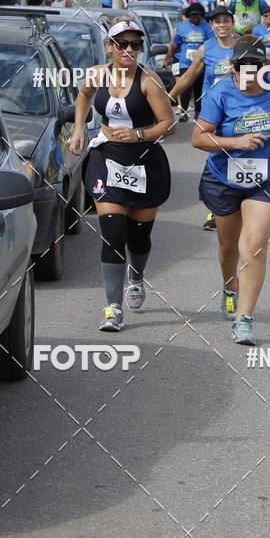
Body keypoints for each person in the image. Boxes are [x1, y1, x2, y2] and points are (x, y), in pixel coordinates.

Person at [69, 19, 175, 332]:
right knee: (113, 234)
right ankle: (113, 308)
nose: (129, 50)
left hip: (143, 162)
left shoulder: (149, 82)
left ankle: (137, 276)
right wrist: (79, 129)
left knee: (139, 237)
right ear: (110, 47)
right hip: (106, 159)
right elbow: (84, 95)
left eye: (135, 44)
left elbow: (168, 123)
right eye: (122, 44)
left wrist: (139, 134)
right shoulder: (97, 74)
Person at [192, 36, 270, 345]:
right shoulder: (220, 93)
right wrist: (235, 143)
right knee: (228, 247)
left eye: (254, 66)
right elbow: (199, 138)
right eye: (241, 67)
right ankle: (229, 285)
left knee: (253, 246)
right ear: (232, 68)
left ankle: (244, 320)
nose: (247, 73)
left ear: (264, 67)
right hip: (224, 178)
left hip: (267, 178)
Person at [168, 5, 240, 232]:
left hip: (239, 112)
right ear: (212, 25)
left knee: (238, 158)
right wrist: (167, 98)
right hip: (212, 114)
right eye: (217, 21)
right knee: (216, 160)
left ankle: (240, 207)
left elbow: (262, 77)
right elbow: (188, 77)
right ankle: (217, 211)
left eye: (225, 21)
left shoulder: (244, 47)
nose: (221, 25)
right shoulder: (205, 49)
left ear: (232, 23)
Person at [163, 2, 215, 122]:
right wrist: (167, 59)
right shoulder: (182, 27)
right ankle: (184, 112)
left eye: (197, 15)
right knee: (185, 87)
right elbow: (174, 46)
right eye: (192, 16)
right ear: (188, 15)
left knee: (199, 88)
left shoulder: (206, 27)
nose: (195, 18)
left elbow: (211, 44)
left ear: (201, 15)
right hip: (185, 62)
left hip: (201, 63)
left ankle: (198, 113)